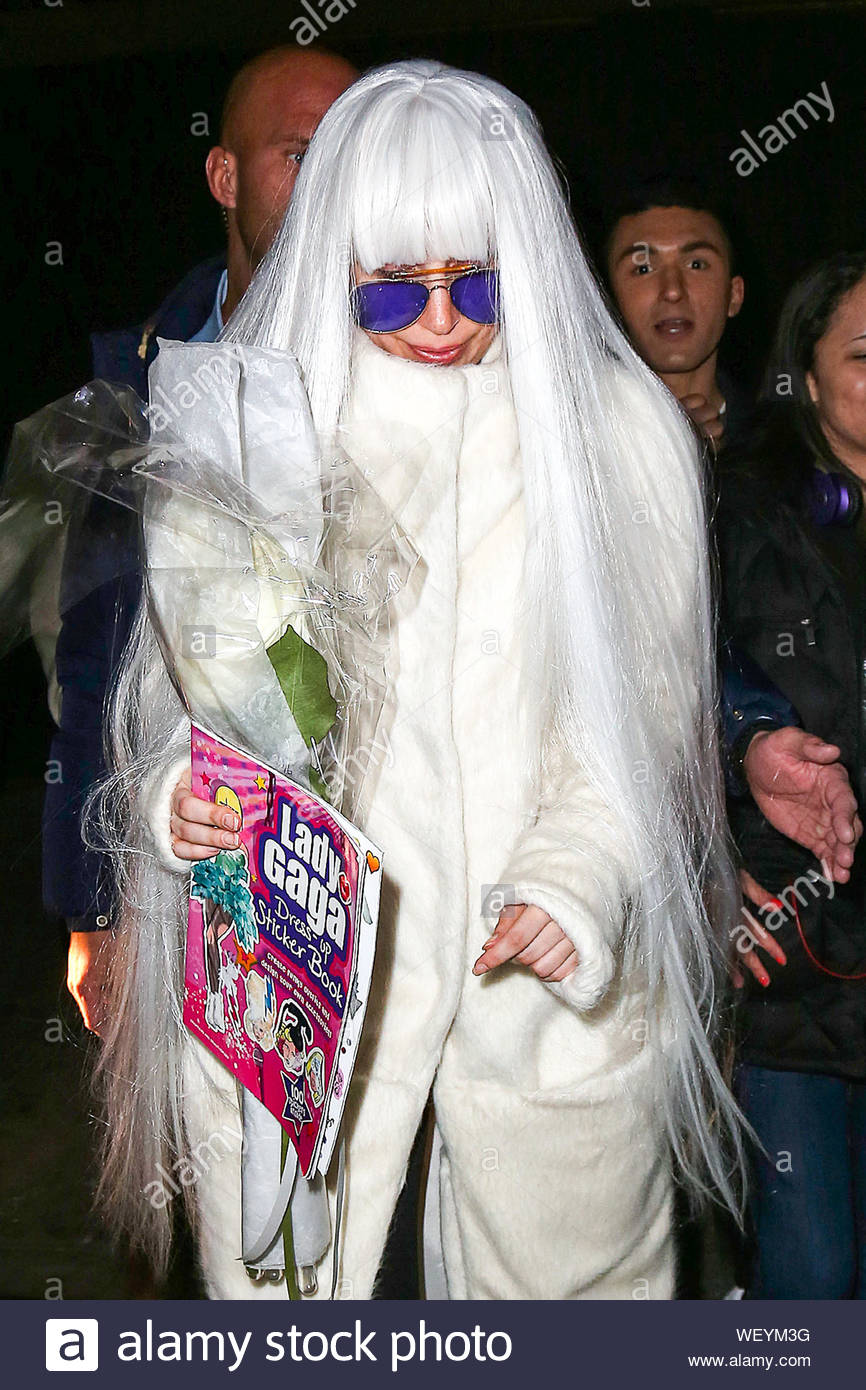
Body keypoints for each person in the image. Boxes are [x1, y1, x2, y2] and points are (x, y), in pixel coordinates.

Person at [96, 59, 745, 1301]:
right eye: (392, 290)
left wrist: (577, 876)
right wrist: (189, 798)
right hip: (306, 972)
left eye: (479, 279)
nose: (441, 320)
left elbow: (644, 738)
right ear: (336, 260)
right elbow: (201, 704)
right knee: (296, 1303)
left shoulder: (620, 444)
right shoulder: (250, 435)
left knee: (568, 1306)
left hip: (543, 980)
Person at [52, 45, 357, 1036]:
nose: (330, 185)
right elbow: (93, 653)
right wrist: (92, 902)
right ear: (223, 175)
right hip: (185, 863)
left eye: (350, 155)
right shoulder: (138, 384)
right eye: (299, 153)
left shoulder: (419, 356)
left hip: (373, 879)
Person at [718, 251, 866, 1298]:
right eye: (863, 356)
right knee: (812, 1279)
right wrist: (708, 862)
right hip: (791, 969)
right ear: (803, 379)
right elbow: (655, 703)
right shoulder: (733, 517)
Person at [604, 177, 746, 449]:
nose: (672, 291)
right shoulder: (570, 435)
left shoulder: (784, 446)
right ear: (609, 301)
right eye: (643, 269)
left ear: (734, 295)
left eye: (696, 264)